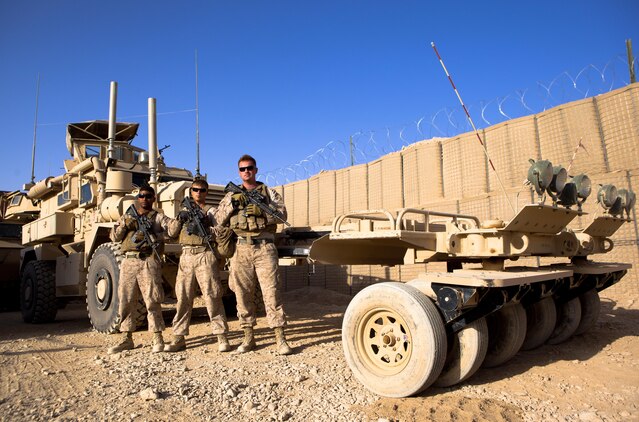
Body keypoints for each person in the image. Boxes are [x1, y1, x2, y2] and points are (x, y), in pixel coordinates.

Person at [215, 154, 293, 355]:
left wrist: (261, 212)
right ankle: (248, 338)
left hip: (264, 247)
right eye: (242, 169)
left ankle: (280, 338)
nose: (246, 172)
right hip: (241, 248)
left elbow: (282, 215)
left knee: (271, 292)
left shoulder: (268, 193)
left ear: (256, 170)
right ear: (238, 172)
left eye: (250, 168)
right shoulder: (232, 195)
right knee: (242, 294)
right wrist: (233, 204)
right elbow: (218, 219)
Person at [108, 185, 180, 354]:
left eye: (148, 196)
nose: (145, 199)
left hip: (149, 260)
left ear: (153, 198)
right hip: (129, 261)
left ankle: (157, 336)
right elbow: (114, 237)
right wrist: (125, 224)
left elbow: (172, 230)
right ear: (138, 198)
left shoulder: (157, 217)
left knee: (152, 299)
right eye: (141, 196)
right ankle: (126, 337)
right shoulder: (127, 216)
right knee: (126, 299)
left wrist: (161, 233)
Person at [164, 179, 231, 353]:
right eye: (195, 190)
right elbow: (171, 233)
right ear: (190, 192)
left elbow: (222, 230)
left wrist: (206, 227)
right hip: (186, 256)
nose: (198, 193)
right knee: (183, 298)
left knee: (212, 296)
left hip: (205, 254)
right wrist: (180, 219)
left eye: (202, 190)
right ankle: (178, 337)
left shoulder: (211, 212)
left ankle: (221, 335)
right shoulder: (183, 210)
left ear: (206, 192)